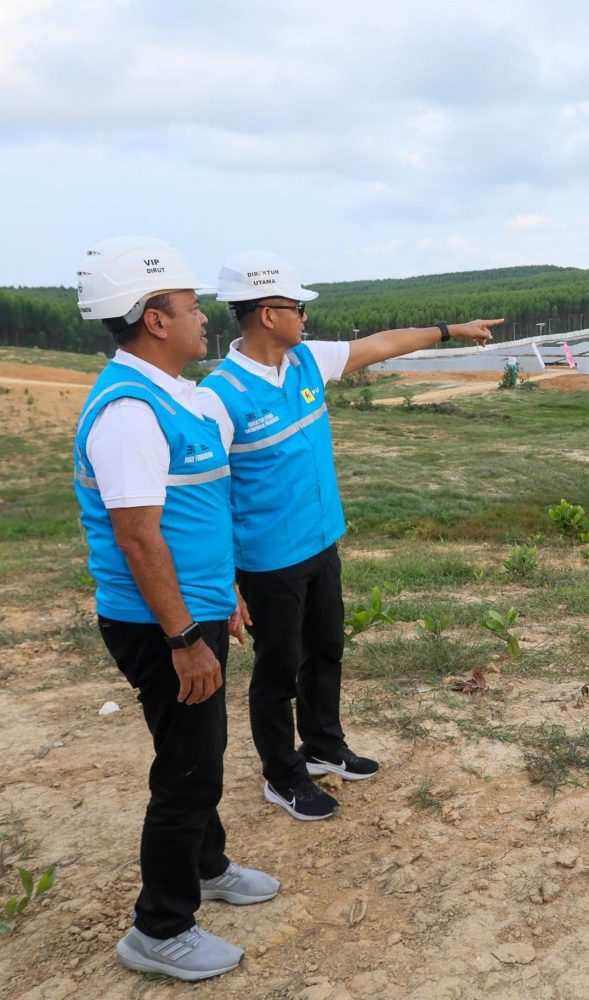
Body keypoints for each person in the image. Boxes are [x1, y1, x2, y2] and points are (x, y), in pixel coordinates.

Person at [196, 249, 502, 821]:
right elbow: (206, 497)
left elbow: (382, 344)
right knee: (277, 672)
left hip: (320, 544)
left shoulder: (306, 360)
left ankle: (323, 746)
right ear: (267, 314)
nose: (305, 316)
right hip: (266, 563)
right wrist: (223, 581)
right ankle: (282, 776)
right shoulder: (217, 396)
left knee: (326, 651)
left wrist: (449, 330)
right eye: (297, 307)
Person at [73, 236, 278, 981]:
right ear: (155, 320)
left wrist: (225, 594)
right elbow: (137, 535)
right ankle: (159, 929)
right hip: (160, 624)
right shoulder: (130, 413)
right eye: (192, 307)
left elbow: (194, 515)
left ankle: (207, 864)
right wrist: (185, 636)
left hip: (192, 609)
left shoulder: (176, 396)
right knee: (189, 769)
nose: (204, 318)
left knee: (200, 750)